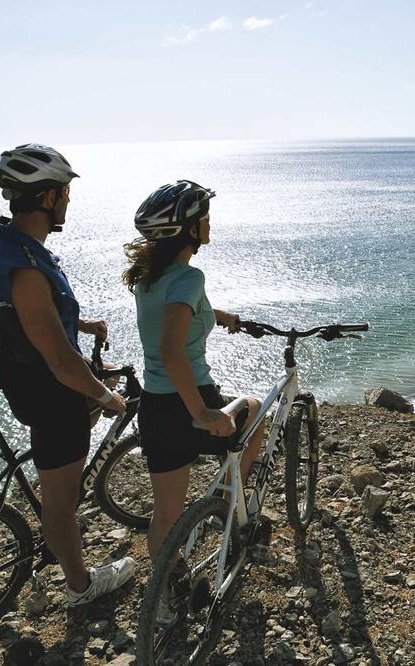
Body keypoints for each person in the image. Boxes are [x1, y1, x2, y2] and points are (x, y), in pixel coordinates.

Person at [0, 144, 136, 606]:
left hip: (20, 375)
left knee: (65, 462)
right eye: (64, 192)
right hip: (51, 392)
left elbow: (23, 316)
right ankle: (81, 586)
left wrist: (76, 323)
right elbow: (62, 363)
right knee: (60, 506)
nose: (68, 200)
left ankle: (58, 518)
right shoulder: (26, 269)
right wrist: (104, 396)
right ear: (47, 198)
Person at [122, 180, 267, 573]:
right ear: (188, 230)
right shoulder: (190, 278)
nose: (209, 224)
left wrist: (218, 316)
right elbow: (173, 350)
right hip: (190, 399)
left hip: (155, 407)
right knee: (255, 410)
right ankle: (228, 500)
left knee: (166, 512)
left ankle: (168, 585)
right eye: (204, 218)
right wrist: (201, 412)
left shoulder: (149, 277)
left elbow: (174, 312)